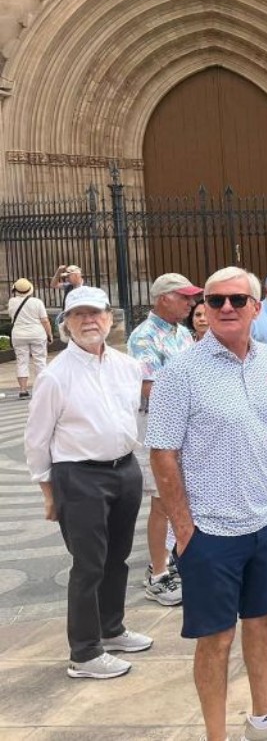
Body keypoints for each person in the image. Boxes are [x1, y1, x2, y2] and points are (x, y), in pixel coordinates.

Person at [148, 267, 267, 741]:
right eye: (215, 300)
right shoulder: (179, 374)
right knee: (216, 639)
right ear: (203, 307)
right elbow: (162, 454)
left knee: (263, 620)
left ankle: (264, 718)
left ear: (255, 307)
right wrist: (184, 530)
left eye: (236, 300)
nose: (226, 308)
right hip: (209, 531)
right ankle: (216, 736)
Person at [25, 286, 150, 680]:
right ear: (65, 324)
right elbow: (36, 439)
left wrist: (141, 471)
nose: (88, 321)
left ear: (110, 319)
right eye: (78, 315)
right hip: (78, 476)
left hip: (124, 469)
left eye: (95, 313)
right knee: (88, 565)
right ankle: (84, 653)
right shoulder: (55, 376)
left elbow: (134, 419)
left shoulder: (128, 367)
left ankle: (111, 629)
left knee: (118, 557)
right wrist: (48, 492)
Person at [128, 272, 204, 608]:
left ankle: (181, 559)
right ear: (163, 298)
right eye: (184, 297)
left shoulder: (183, 333)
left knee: (187, 496)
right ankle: (157, 574)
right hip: (160, 431)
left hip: (190, 428)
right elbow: (150, 387)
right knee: (162, 500)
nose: (191, 303)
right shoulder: (143, 338)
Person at [8, 277, 53, 399]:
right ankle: (41, 389)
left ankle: (23, 390)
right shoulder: (37, 302)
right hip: (37, 333)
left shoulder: (11, 302)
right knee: (40, 361)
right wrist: (49, 334)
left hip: (19, 334)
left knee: (22, 361)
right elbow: (45, 320)